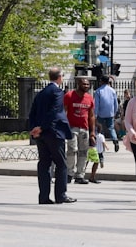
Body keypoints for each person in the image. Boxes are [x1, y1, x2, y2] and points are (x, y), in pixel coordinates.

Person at [28, 67, 76, 204]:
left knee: (44, 164)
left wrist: (34, 129)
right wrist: (42, 127)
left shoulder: (42, 93)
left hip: (41, 135)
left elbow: (32, 112)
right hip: (53, 132)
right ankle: (61, 195)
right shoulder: (57, 92)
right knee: (61, 163)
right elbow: (54, 112)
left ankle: (43, 197)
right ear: (60, 77)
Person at [63, 77, 96, 185]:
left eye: (87, 84)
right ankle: (69, 173)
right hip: (72, 128)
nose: (86, 86)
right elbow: (64, 111)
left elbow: (91, 116)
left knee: (83, 152)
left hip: (84, 128)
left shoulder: (89, 98)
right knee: (72, 150)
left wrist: (92, 132)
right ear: (78, 84)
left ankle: (80, 175)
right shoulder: (69, 96)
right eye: (84, 84)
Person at [94, 75, 120, 152]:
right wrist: (114, 112)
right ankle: (115, 140)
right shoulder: (113, 91)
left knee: (100, 129)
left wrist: (95, 114)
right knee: (111, 128)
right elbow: (116, 103)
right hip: (110, 113)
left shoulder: (98, 91)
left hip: (101, 113)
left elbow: (97, 104)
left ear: (101, 81)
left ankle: (102, 145)